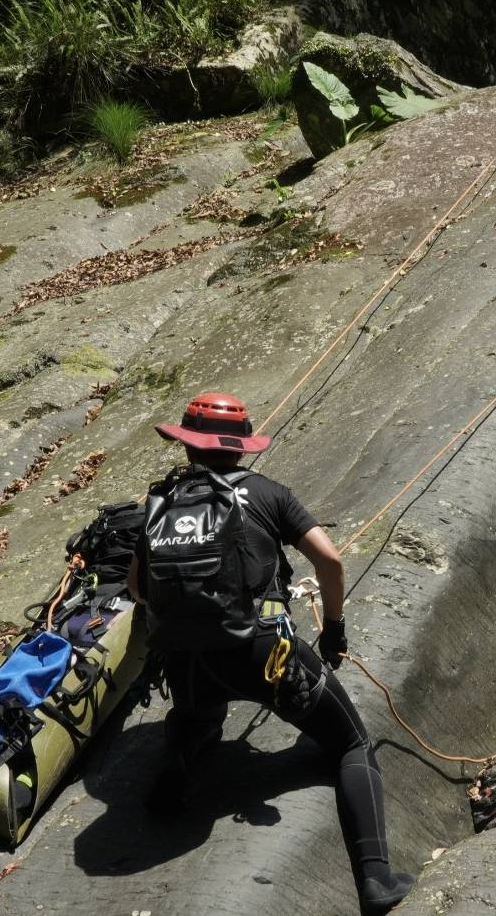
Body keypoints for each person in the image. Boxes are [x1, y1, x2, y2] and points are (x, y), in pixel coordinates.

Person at [128, 392, 414, 916]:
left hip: (186, 661)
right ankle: (376, 880)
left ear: (188, 445)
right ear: (242, 447)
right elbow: (329, 561)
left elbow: (139, 588)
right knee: (351, 745)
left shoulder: (161, 501)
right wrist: (333, 629)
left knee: (197, 716)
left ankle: (171, 782)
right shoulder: (266, 493)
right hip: (262, 654)